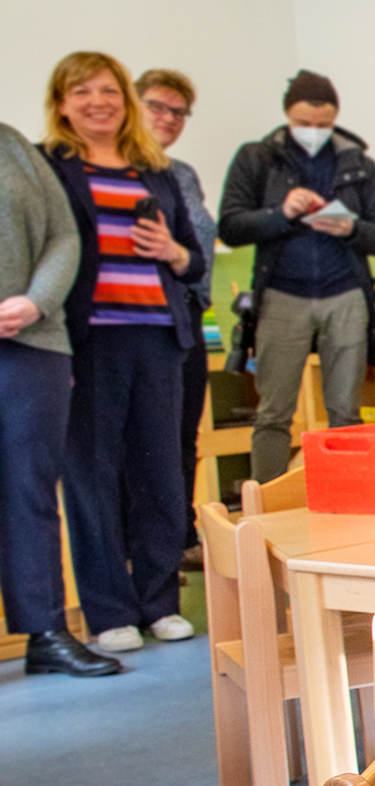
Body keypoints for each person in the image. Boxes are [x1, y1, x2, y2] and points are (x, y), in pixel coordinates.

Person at [39, 52, 209, 655]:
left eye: (108, 90)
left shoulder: (153, 170)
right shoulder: (52, 170)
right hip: (87, 341)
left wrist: (171, 249)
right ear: (61, 103)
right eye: (81, 91)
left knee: (162, 475)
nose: (98, 101)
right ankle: (109, 611)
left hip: (159, 338)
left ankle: (159, 601)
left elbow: (195, 259)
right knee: (93, 478)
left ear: (125, 100)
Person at [216, 71, 375, 483]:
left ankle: (346, 496)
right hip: (281, 295)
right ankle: (263, 506)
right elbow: (230, 226)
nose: (313, 132)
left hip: (346, 294)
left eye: (323, 125)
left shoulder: (358, 163)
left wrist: (348, 226)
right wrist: (280, 214)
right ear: (287, 115)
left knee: (346, 412)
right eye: (304, 124)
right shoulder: (256, 158)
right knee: (273, 411)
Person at [0, 121, 118, 677]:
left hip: (32, 341)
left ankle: (46, 632)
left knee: (31, 488)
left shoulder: (14, 146)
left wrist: (37, 302)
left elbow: (64, 235)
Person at [135, 69, 214, 547]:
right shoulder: (115, 171)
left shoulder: (181, 174)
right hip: (140, 321)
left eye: (178, 111)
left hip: (189, 316)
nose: (168, 118)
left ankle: (178, 537)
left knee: (183, 437)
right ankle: (139, 543)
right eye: (157, 106)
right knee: (143, 443)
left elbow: (197, 249)